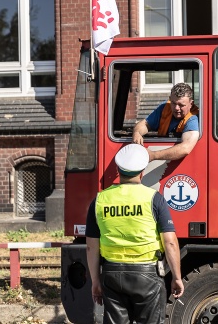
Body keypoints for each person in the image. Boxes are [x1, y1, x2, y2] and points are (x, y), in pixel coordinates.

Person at [85, 144, 184, 324]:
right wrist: (176, 277)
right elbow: (170, 242)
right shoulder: (154, 198)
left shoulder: (99, 200)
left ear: (118, 170)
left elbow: (91, 246)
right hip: (147, 275)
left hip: (112, 274)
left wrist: (95, 282)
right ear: (142, 172)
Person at [132, 83, 199, 161]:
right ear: (170, 99)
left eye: (181, 105)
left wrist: (153, 155)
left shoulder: (193, 118)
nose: (176, 108)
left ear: (191, 104)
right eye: (173, 103)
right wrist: (137, 133)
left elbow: (185, 148)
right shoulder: (164, 107)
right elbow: (145, 124)